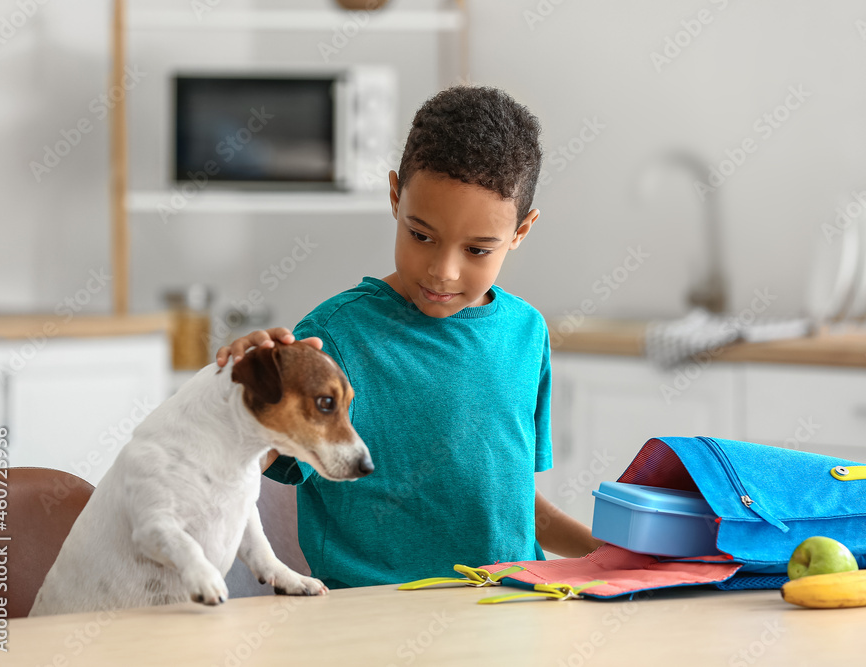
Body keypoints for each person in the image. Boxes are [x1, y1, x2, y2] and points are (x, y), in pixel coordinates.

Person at [216, 85, 602, 589]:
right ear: (395, 196)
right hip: (373, 622)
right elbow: (239, 464)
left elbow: (508, 500)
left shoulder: (527, 333)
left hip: (512, 608)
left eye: (478, 250)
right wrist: (243, 391)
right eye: (421, 235)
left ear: (521, 231)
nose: (442, 271)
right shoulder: (332, 338)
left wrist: (609, 554)